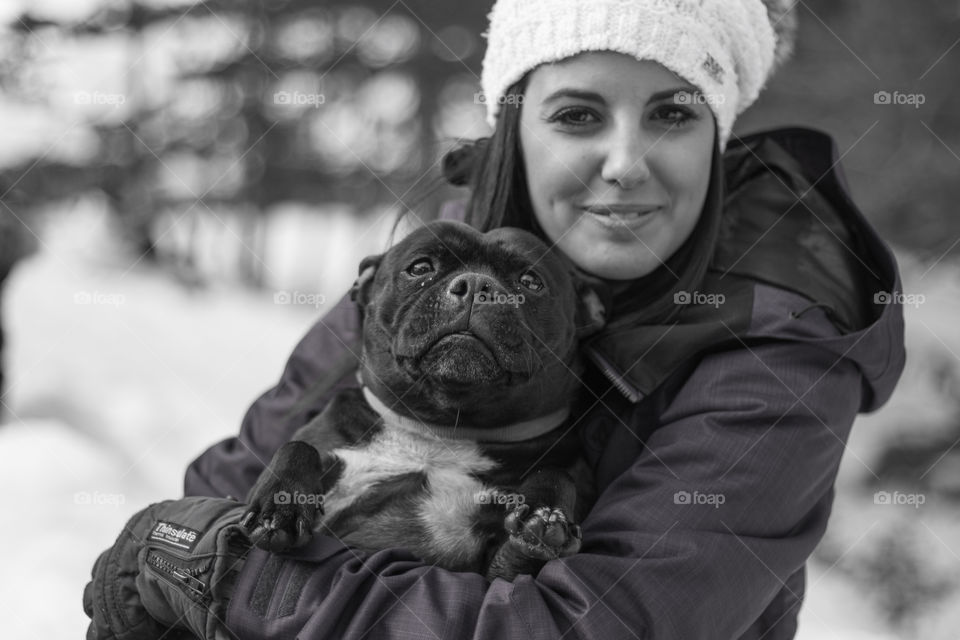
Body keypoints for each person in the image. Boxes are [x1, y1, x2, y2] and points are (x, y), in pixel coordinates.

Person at [83, 1, 906, 638]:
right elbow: (225, 497)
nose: (625, 165)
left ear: (716, 140)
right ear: (514, 126)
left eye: (674, 114)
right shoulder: (429, 272)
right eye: (579, 115)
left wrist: (229, 581)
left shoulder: (779, 351)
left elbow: (576, 628)